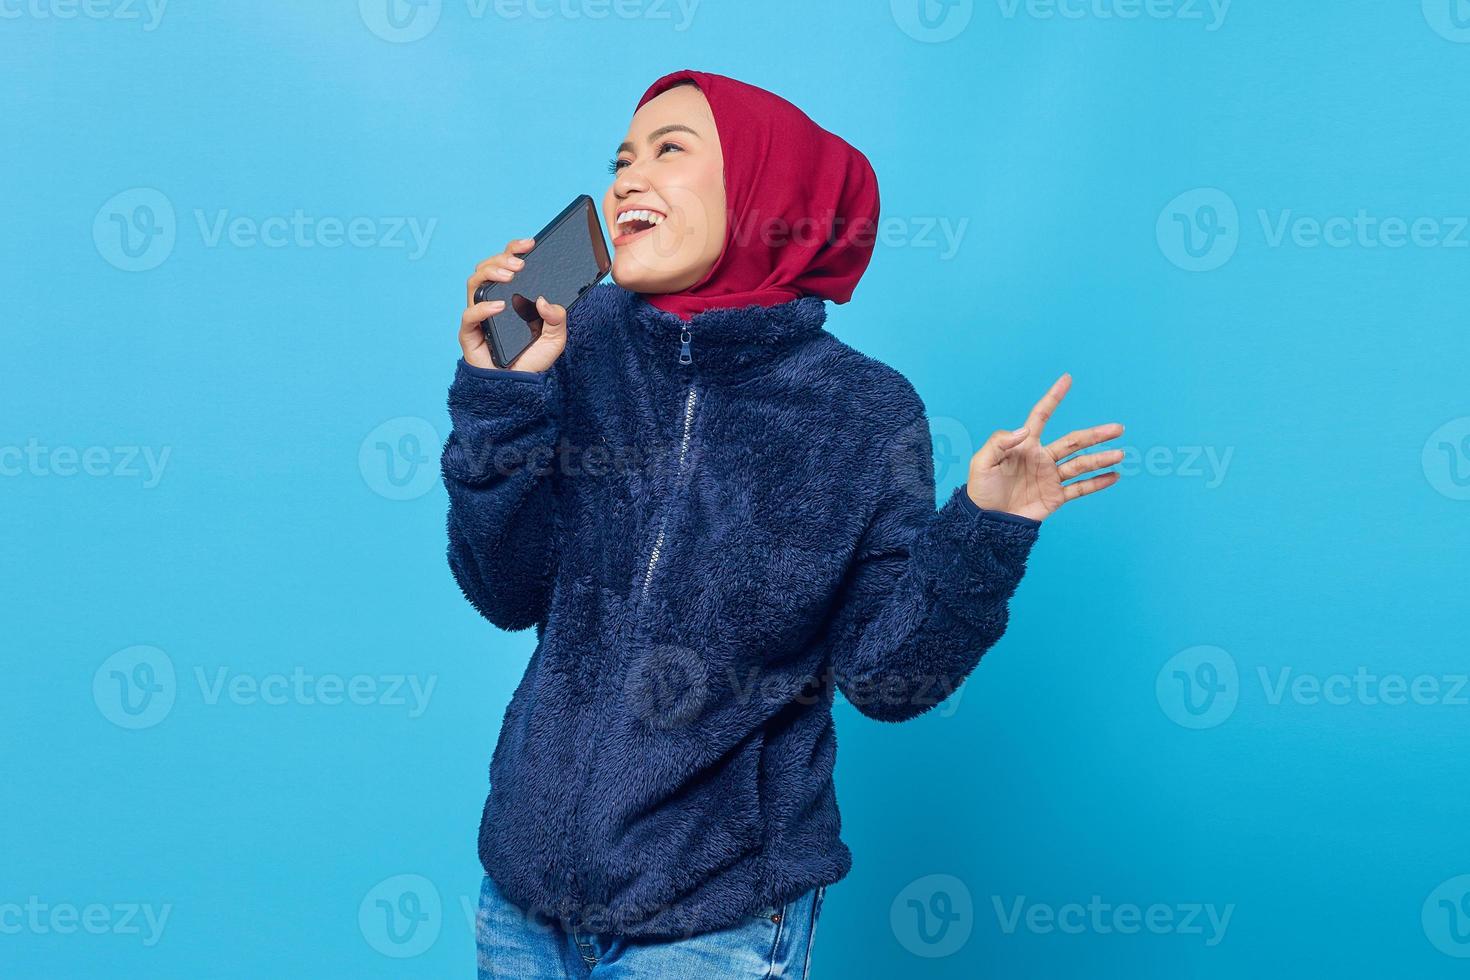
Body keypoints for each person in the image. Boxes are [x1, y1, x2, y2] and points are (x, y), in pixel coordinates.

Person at [444, 69, 1124, 979]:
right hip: (523, 904)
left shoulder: (862, 411)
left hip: (713, 919)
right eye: (621, 158)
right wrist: (504, 391)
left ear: (765, 192)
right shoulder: (581, 342)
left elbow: (890, 678)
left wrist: (985, 530)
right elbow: (505, 589)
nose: (625, 180)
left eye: (669, 150)